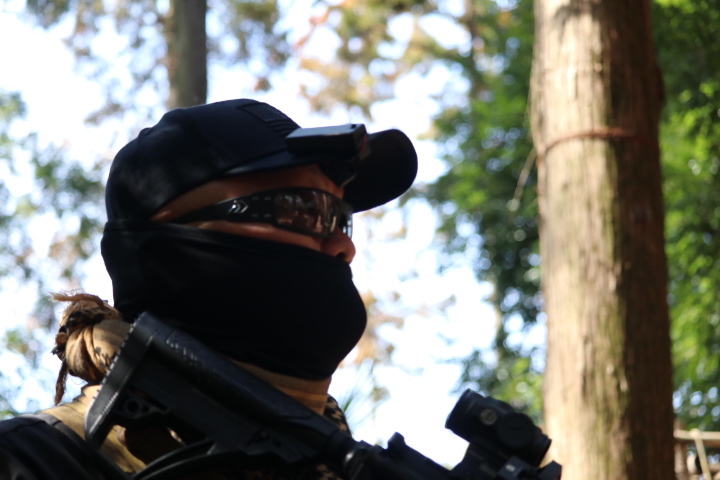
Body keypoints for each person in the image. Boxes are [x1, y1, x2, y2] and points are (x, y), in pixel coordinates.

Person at [0, 98, 417, 479]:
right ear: (166, 244)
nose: (345, 245)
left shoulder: (346, 468)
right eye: (303, 209)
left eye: (340, 218)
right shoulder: (32, 463)